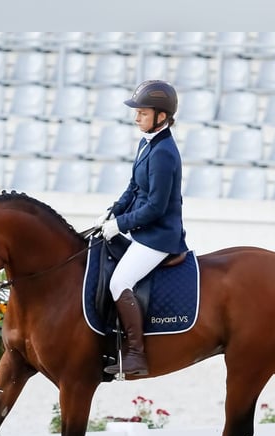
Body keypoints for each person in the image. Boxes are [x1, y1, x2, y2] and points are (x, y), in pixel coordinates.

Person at [93, 80, 189, 376]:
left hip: (159, 237)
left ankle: (136, 355)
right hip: (143, 231)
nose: (136, 118)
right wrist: (113, 211)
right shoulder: (146, 143)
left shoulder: (164, 153)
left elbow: (156, 208)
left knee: (118, 283)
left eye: (143, 113)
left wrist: (120, 225)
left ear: (161, 116)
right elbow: (134, 186)